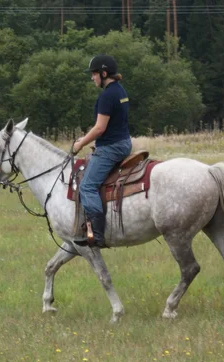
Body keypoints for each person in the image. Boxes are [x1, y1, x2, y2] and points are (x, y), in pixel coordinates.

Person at [72, 54, 132, 247]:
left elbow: (100, 128)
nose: (92, 78)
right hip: (122, 142)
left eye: (94, 74)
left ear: (104, 73)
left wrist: (80, 143)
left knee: (87, 186)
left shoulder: (107, 95)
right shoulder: (120, 91)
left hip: (112, 148)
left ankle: (97, 235)